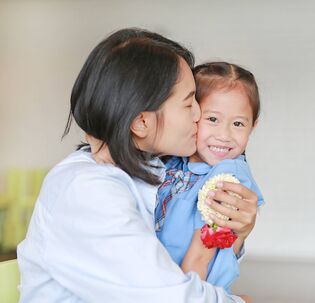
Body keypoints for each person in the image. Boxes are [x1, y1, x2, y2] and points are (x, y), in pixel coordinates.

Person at [17, 28, 258, 303]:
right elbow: (166, 296)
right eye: (188, 102)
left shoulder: (153, 171)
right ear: (141, 122)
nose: (198, 114)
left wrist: (238, 231)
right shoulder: (86, 191)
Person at [155, 62, 264, 293]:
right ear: (192, 114)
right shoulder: (174, 160)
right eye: (212, 119)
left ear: (253, 127)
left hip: (191, 290)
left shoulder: (227, 180)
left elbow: (200, 257)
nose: (224, 135)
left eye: (238, 124)